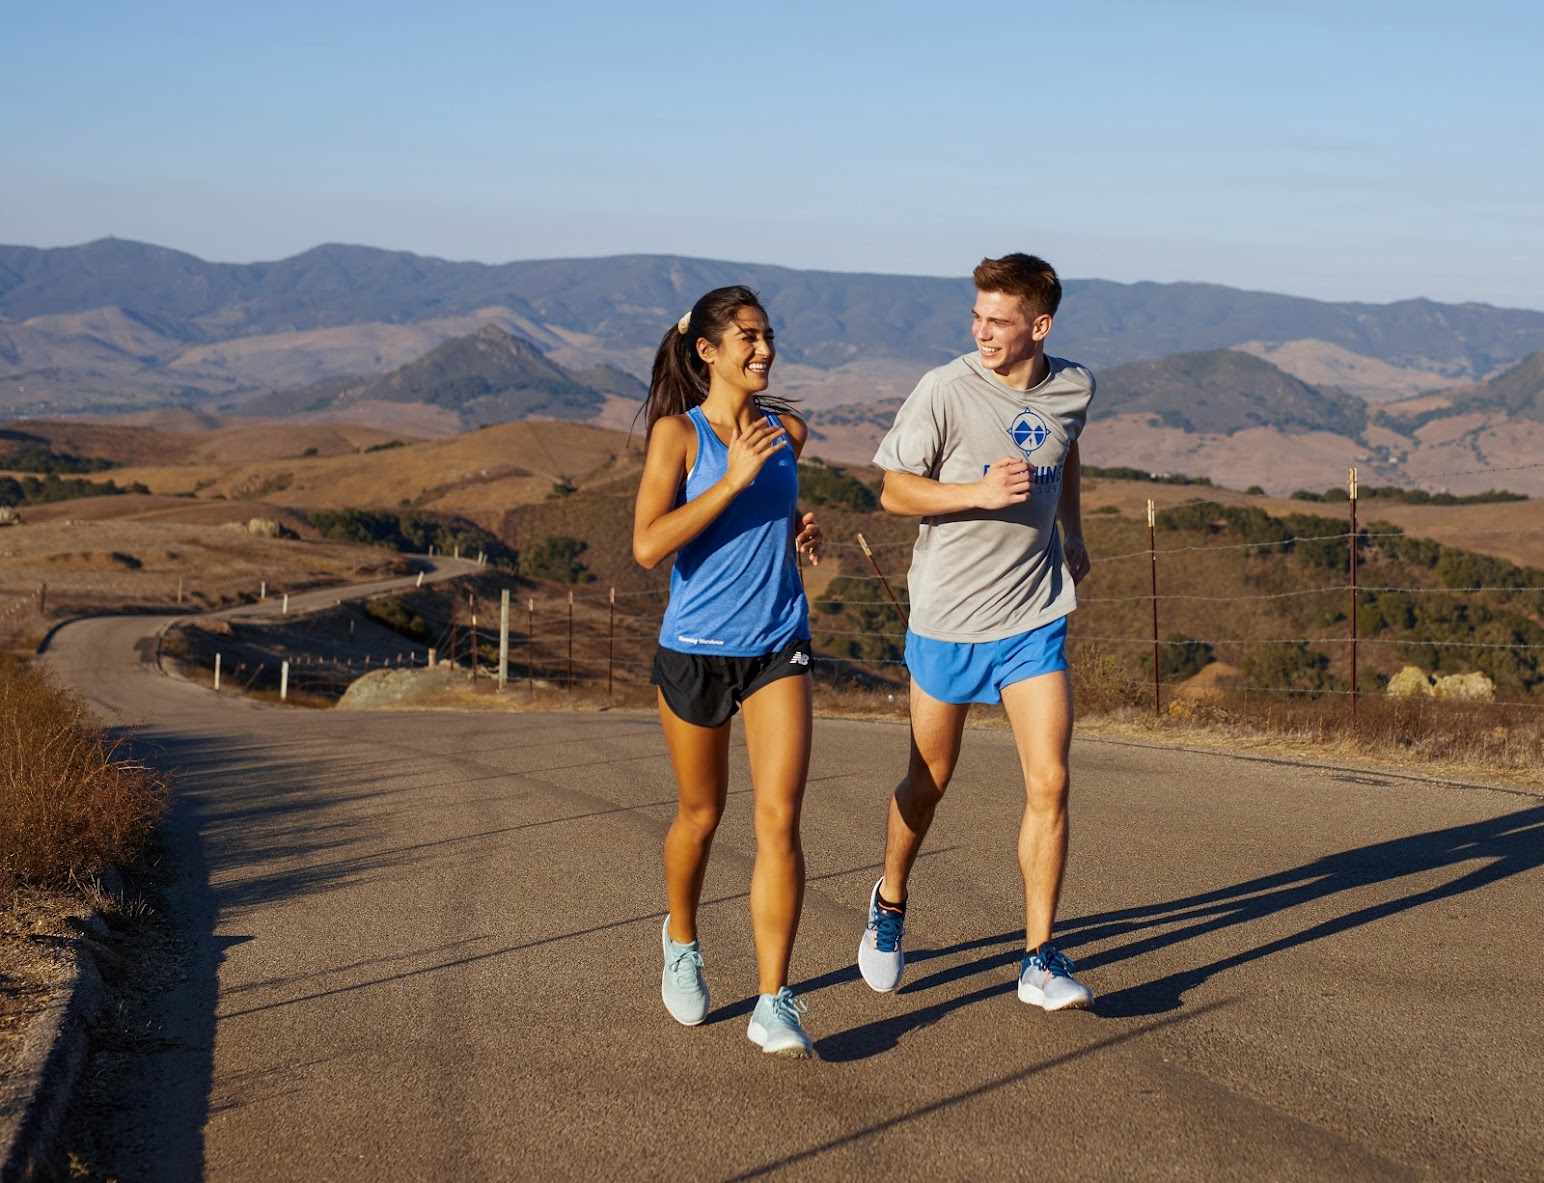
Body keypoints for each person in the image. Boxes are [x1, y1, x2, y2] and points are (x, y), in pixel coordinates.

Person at [855, 253, 1097, 1011]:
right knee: (928, 781)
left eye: (998, 319)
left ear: (1040, 325)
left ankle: (1038, 957)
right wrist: (978, 491)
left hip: (1033, 615)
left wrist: (1072, 528)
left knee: (1050, 780)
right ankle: (891, 899)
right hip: (949, 617)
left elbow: (1065, 447)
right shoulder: (945, 389)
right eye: (976, 316)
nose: (981, 330)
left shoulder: (1075, 387)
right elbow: (893, 491)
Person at [632, 285, 824, 1056]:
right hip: (696, 649)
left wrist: (799, 527)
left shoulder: (789, 431)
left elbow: (774, 514)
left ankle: (774, 1000)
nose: (764, 349)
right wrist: (732, 479)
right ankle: (681, 937)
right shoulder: (678, 437)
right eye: (747, 337)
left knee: (778, 818)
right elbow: (649, 546)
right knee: (700, 817)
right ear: (707, 351)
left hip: (779, 641)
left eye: (768, 334)